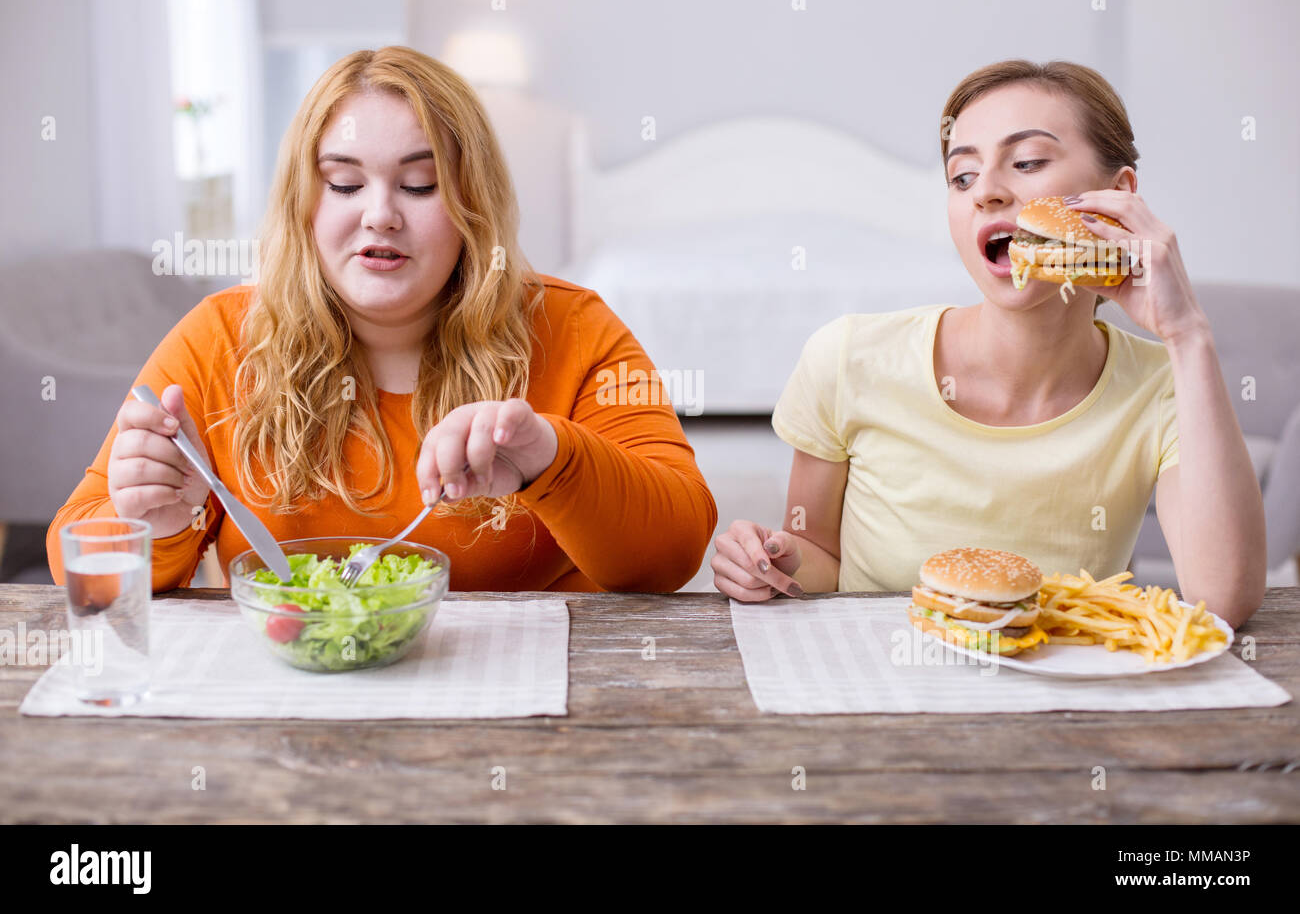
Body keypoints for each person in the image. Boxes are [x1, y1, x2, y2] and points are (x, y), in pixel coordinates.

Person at [48, 46, 716, 593]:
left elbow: (673, 553)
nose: (380, 214)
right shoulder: (220, 338)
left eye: (420, 184)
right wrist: (160, 524)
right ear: (304, 201)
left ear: (471, 204)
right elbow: (76, 559)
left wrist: (551, 460)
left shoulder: (575, 328)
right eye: (344, 183)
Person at [711, 60, 1265, 628]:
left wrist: (1187, 333)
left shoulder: (1164, 384)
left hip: (1062, 698)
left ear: (1117, 196)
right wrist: (773, 563)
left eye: (1026, 162)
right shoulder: (848, 357)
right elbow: (819, 558)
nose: (988, 193)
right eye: (962, 177)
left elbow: (1222, 599)